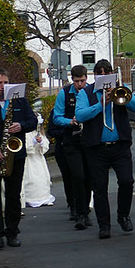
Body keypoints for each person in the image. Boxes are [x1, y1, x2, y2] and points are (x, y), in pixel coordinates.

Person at [73, 59, 135, 239]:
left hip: (120, 145)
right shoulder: (86, 93)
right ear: (94, 75)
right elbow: (80, 115)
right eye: (99, 73)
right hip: (96, 148)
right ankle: (104, 225)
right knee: (99, 187)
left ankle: (123, 216)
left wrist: (122, 93)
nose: (103, 76)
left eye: (106, 73)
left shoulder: (121, 87)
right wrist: (100, 104)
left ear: (111, 74)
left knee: (127, 181)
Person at [0, 69, 38, 249]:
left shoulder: (19, 100)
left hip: (14, 154)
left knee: (13, 194)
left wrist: (21, 125)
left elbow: (32, 121)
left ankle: (12, 232)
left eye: (5, 82)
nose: (3, 87)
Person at [51, 65, 92, 230]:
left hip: (88, 140)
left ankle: (85, 211)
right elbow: (57, 117)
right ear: (72, 79)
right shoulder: (64, 93)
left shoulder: (90, 91)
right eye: (76, 81)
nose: (80, 85)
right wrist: (70, 122)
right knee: (78, 176)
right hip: (71, 140)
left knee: (88, 178)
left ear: (86, 78)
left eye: (82, 81)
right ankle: (79, 213)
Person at [22, 114, 56, 207]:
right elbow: (25, 147)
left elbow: (46, 146)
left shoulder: (40, 133)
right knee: (31, 179)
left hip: (39, 160)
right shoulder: (26, 133)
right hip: (29, 161)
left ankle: (43, 196)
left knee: (42, 178)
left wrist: (41, 142)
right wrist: (33, 143)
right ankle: (30, 198)